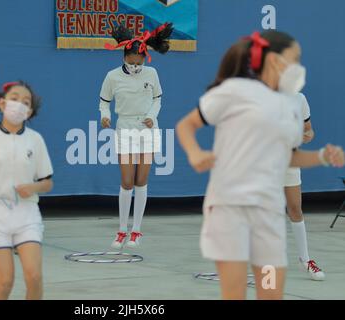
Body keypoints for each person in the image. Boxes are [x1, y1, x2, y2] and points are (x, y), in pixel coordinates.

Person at [176, 30, 344, 300]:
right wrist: (195, 154)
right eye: (293, 59)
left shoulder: (295, 101)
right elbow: (186, 125)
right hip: (232, 208)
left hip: (267, 217)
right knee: (234, 293)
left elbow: (293, 149)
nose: (297, 66)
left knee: (270, 292)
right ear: (272, 60)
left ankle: (306, 259)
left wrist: (321, 156)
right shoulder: (233, 92)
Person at [0, 72, 54, 300]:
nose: (20, 105)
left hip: (27, 213)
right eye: (15, 99)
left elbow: (47, 182)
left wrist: (32, 188)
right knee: (5, 281)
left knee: (34, 277)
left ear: (30, 111)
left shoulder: (35, 140)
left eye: (26, 103)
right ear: (2, 104)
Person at [100, 23, 173, 249]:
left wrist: (152, 115)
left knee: (142, 180)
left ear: (145, 59)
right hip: (125, 127)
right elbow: (104, 101)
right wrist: (105, 116)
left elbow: (158, 98)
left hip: (147, 129)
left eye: (139, 61)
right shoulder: (112, 77)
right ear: (124, 57)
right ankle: (122, 230)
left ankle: (136, 231)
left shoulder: (152, 73)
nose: (135, 65)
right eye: (131, 61)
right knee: (127, 181)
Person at [285, 93, 325, 281]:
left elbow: (309, 131)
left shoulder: (299, 99)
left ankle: (306, 260)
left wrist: (301, 136)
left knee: (295, 209)